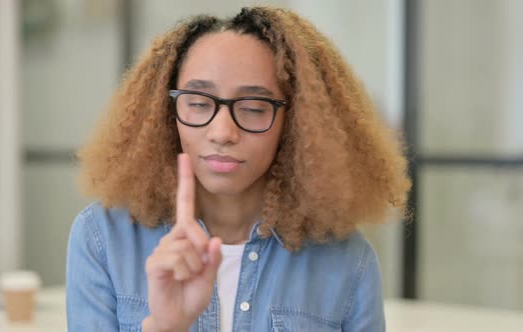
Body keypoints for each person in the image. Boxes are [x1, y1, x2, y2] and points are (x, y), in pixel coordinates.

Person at [66, 6, 411, 332]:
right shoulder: (102, 239)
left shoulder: (347, 260)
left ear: (296, 123)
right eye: (199, 103)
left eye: (254, 108)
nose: (222, 133)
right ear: (166, 113)